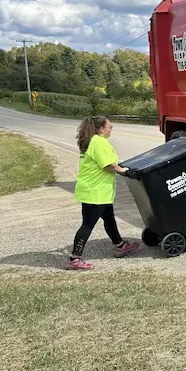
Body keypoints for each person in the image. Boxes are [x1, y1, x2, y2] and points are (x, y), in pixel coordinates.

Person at [66, 115, 139, 270]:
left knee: (109, 218)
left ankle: (119, 245)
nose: (110, 128)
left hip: (96, 190)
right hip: (95, 192)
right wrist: (123, 171)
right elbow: (108, 165)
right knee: (87, 225)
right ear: (101, 129)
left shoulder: (92, 141)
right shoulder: (99, 142)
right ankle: (75, 258)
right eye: (109, 126)